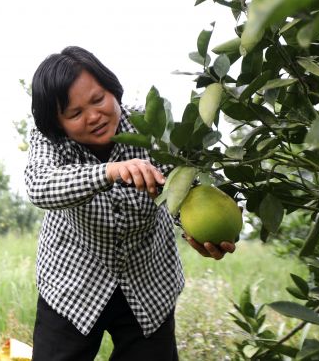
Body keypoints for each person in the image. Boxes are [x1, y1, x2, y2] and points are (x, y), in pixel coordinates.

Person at [24, 46, 235, 360]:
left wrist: (200, 233)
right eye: (75, 114)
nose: (94, 116)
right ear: (58, 123)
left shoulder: (151, 128)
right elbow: (39, 185)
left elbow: (181, 192)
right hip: (73, 282)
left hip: (148, 281)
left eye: (98, 100)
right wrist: (109, 171)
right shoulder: (49, 138)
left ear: (113, 90)